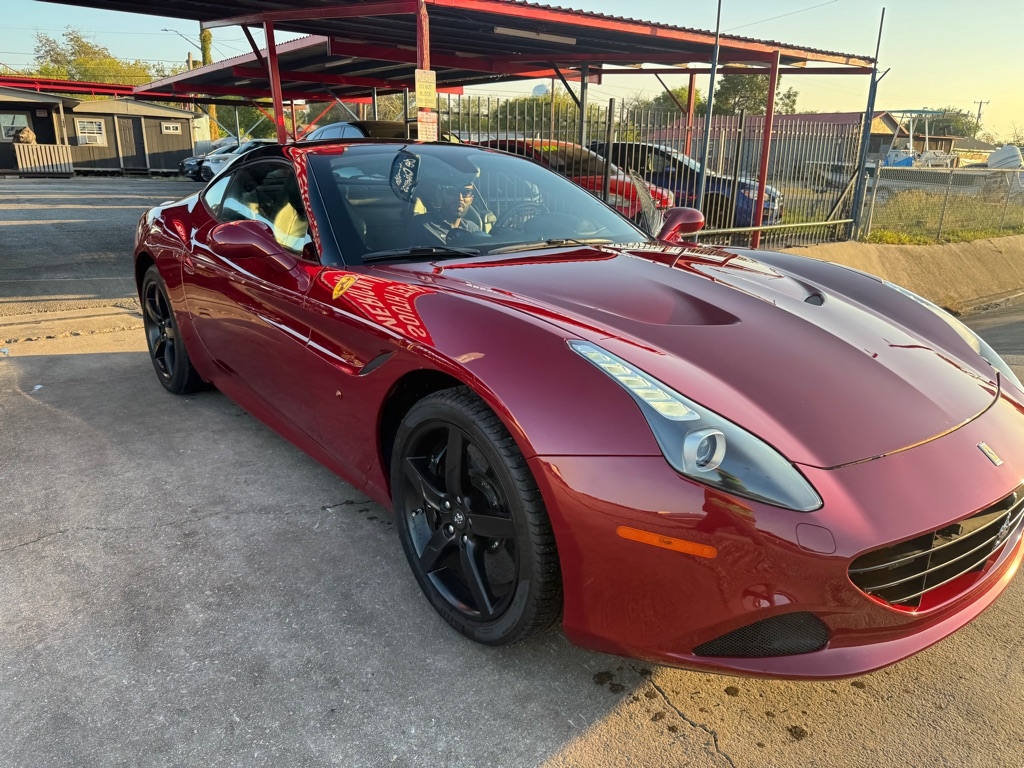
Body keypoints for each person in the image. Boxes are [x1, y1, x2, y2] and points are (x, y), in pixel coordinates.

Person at [409, 173, 480, 244]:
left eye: (466, 192)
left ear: (471, 199)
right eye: (452, 191)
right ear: (441, 195)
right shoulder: (421, 226)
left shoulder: (473, 229)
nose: (460, 198)